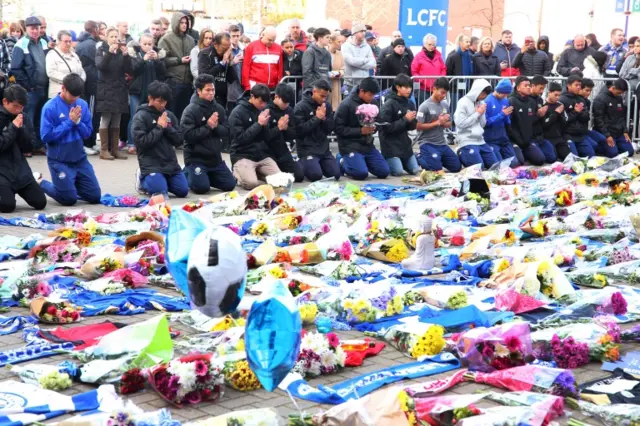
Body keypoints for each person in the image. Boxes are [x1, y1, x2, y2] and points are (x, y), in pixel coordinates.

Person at [37, 73, 100, 206]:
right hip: (59, 161)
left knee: (95, 196)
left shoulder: (82, 104)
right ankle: (40, 182)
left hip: (80, 160)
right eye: (72, 95)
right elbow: (46, 136)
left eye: (77, 96)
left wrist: (78, 123)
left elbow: (88, 133)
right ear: (63, 88)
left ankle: (69, 185)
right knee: (69, 199)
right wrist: (69, 122)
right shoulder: (50, 107)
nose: (74, 99)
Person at [181, 74, 236, 194]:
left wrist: (215, 127)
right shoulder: (190, 110)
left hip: (215, 159)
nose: (211, 93)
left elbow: (227, 131)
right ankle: (186, 172)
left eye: (213, 89)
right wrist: (207, 127)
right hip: (196, 158)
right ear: (199, 91)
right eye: (207, 90)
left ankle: (203, 176)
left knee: (230, 185)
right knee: (202, 188)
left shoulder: (219, 108)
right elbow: (187, 136)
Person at [132, 81, 188, 197]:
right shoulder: (140, 116)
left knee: (183, 191)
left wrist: (167, 127)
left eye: (165, 101)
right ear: (150, 99)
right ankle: (142, 179)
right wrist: (159, 127)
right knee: (161, 193)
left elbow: (179, 140)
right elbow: (141, 142)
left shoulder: (169, 115)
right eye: (160, 101)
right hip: (151, 164)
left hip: (170, 163)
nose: (163, 105)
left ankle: (162, 180)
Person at [0, 84, 47, 213]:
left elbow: (29, 147)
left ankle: (31, 179)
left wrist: (21, 130)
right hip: (2, 172)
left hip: (20, 170)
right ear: (5, 102)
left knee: (40, 202)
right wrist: (13, 128)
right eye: (15, 106)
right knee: (7, 206)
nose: (18, 110)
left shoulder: (23, 117)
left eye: (21, 107)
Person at [335, 77, 389, 180]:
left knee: (384, 172)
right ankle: (342, 160)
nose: (371, 97)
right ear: (361, 91)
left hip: (367, 145)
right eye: (369, 95)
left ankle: (360, 162)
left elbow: (379, 120)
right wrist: (360, 131)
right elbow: (338, 129)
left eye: (373, 95)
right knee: (361, 174)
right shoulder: (346, 104)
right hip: (350, 145)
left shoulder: (373, 102)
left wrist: (374, 127)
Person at [229, 84, 281, 190]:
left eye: (265, 102)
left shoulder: (263, 110)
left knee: (280, 180)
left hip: (261, 155)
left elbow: (267, 137)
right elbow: (240, 139)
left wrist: (267, 126)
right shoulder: (238, 112)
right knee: (251, 184)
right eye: (261, 102)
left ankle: (254, 173)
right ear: (252, 97)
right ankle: (237, 172)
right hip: (242, 154)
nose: (263, 105)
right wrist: (258, 124)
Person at [11, 16, 48, 154]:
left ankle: (38, 144)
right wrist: (27, 85)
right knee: (28, 119)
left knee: (40, 119)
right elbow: (15, 69)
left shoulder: (43, 43)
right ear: (26, 29)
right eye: (32, 28)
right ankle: (27, 147)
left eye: (37, 28)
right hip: (30, 90)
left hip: (43, 88)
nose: (35, 31)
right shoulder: (21, 44)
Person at [95, 27, 133, 160]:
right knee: (106, 119)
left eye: (116, 37)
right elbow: (100, 66)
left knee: (117, 119)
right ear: (106, 38)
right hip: (106, 89)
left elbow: (129, 70)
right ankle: (104, 149)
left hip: (119, 88)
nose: (115, 39)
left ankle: (115, 149)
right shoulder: (101, 50)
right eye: (112, 36)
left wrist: (127, 56)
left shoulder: (120, 52)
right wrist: (110, 54)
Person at [127, 33, 167, 154]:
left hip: (152, 92)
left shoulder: (157, 56)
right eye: (145, 44)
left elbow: (163, 73)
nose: (147, 47)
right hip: (137, 91)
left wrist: (157, 61)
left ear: (153, 45)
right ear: (140, 44)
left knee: (151, 117)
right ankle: (132, 143)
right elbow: (133, 70)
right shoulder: (135, 54)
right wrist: (143, 60)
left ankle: (148, 142)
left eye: (150, 44)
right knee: (135, 116)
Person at [294, 79, 339, 181]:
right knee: (316, 176)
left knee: (335, 174)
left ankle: (319, 164)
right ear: (314, 92)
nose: (324, 99)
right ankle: (301, 163)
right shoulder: (300, 107)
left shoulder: (326, 106)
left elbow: (331, 128)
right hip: (307, 149)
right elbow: (299, 131)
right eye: (322, 96)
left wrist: (323, 119)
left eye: (326, 96)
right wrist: (316, 118)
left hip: (323, 149)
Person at [415, 77, 461, 172]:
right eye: (442, 92)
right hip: (427, 142)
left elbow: (448, 125)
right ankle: (418, 156)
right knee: (435, 169)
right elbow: (418, 126)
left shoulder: (445, 105)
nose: (444, 96)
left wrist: (445, 122)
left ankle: (436, 159)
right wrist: (437, 122)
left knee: (457, 167)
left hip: (441, 143)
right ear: (434, 89)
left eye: (446, 93)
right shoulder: (424, 106)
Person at [379, 74, 419, 176]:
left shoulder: (410, 103)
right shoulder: (389, 104)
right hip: (390, 144)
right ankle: (383, 157)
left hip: (404, 143)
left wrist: (413, 121)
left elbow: (411, 127)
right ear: (397, 87)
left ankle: (402, 160)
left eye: (410, 87)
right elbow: (386, 128)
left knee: (415, 170)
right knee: (397, 172)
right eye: (405, 87)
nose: (408, 90)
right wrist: (405, 119)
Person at [507, 76, 554, 165]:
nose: (528, 87)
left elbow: (532, 120)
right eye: (525, 85)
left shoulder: (531, 102)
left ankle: (526, 153)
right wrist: (518, 140)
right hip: (515, 140)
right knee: (519, 162)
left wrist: (539, 115)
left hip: (528, 140)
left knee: (541, 160)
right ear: (518, 88)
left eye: (529, 85)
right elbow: (509, 125)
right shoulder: (511, 101)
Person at [158, 11, 196, 121]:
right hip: (173, 81)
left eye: (186, 23)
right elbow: (161, 60)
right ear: (175, 23)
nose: (184, 25)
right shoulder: (166, 39)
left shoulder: (190, 39)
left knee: (184, 114)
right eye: (181, 22)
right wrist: (179, 60)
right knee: (171, 113)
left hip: (187, 83)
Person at [454, 78, 497, 169]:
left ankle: (467, 155)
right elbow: (460, 123)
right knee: (479, 168)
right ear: (476, 90)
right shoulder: (463, 102)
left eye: (485, 94)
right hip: (467, 140)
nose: (483, 96)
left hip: (480, 140)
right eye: (482, 93)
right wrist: (477, 113)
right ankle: (461, 152)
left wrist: (481, 114)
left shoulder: (481, 102)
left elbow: (483, 124)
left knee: (495, 166)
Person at [265, 84, 304, 182]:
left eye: (288, 103)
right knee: (276, 180)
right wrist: (278, 128)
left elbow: (293, 134)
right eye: (284, 102)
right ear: (276, 97)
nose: (286, 105)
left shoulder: (289, 110)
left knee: (299, 176)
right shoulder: (266, 109)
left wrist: (285, 129)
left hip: (282, 151)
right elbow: (265, 136)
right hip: (267, 152)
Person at [75, 21, 102, 155]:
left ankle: (90, 142)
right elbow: (98, 63)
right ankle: (87, 142)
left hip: (88, 82)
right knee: (90, 114)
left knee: (91, 113)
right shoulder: (90, 45)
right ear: (95, 29)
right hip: (91, 84)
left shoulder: (83, 43)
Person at [592, 78, 634, 157]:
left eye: (621, 93)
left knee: (630, 152)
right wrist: (607, 135)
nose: (619, 94)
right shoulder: (600, 99)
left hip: (618, 132)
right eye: (618, 92)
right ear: (613, 88)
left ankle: (616, 146)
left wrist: (625, 130)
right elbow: (599, 120)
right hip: (606, 132)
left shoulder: (618, 98)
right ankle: (600, 147)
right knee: (612, 153)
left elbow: (621, 116)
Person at [483, 79, 520, 167]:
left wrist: (507, 118)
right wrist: (502, 114)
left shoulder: (505, 100)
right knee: (498, 165)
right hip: (491, 139)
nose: (506, 95)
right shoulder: (487, 101)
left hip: (503, 139)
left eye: (507, 93)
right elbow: (485, 122)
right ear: (499, 91)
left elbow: (506, 119)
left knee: (514, 163)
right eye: (505, 93)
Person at [198, 33, 237, 109]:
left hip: (222, 98)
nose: (226, 51)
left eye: (228, 48)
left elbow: (232, 79)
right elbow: (203, 76)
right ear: (216, 44)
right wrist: (222, 63)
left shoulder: (226, 55)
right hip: (207, 97)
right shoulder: (205, 54)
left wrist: (230, 63)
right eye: (224, 48)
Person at [559, 75, 594, 157]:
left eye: (579, 85)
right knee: (573, 158)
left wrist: (579, 112)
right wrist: (575, 112)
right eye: (576, 85)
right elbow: (563, 120)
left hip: (579, 134)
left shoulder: (581, 99)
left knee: (591, 155)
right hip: (567, 134)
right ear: (568, 85)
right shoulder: (562, 100)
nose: (578, 87)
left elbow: (586, 118)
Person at [46, 30, 86, 100]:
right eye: (65, 41)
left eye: (70, 41)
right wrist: (71, 81)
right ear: (58, 41)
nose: (68, 43)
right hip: (58, 93)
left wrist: (80, 81)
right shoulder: (52, 54)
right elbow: (51, 73)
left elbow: (81, 70)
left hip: (74, 93)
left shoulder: (74, 54)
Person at [541, 82, 576, 160]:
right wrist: (556, 113)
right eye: (555, 95)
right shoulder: (543, 105)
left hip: (558, 137)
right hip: (547, 138)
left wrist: (561, 114)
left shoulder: (560, 105)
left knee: (568, 157)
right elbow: (544, 125)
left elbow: (564, 122)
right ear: (549, 93)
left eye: (559, 95)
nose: (557, 97)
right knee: (552, 158)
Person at [411, 34, 446, 105]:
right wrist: (423, 81)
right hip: (423, 89)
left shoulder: (439, 56)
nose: (432, 47)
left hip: (436, 89)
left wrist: (441, 80)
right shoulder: (418, 56)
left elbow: (443, 69)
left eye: (433, 45)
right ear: (424, 44)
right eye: (429, 44)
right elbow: (414, 71)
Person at [342, 24, 376, 92]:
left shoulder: (367, 46)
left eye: (364, 31)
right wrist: (366, 60)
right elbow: (351, 61)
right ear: (354, 33)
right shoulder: (345, 46)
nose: (364, 33)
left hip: (364, 84)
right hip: (350, 84)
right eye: (361, 31)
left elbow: (373, 64)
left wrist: (357, 63)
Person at [226, 24, 244, 113]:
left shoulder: (243, 49)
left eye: (237, 36)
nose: (236, 38)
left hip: (241, 84)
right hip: (229, 86)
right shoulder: (226, 48)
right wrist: (233, 62)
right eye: (233, 36)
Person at [328, 32, 345, 107]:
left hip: (336, 83)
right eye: (339, 41)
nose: (341, 44)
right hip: (326, 83)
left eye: (342, 42)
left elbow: (343, 68)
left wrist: (337, 73)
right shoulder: (325, 52)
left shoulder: (340, 53)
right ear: (331, 41)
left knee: (335, 107)